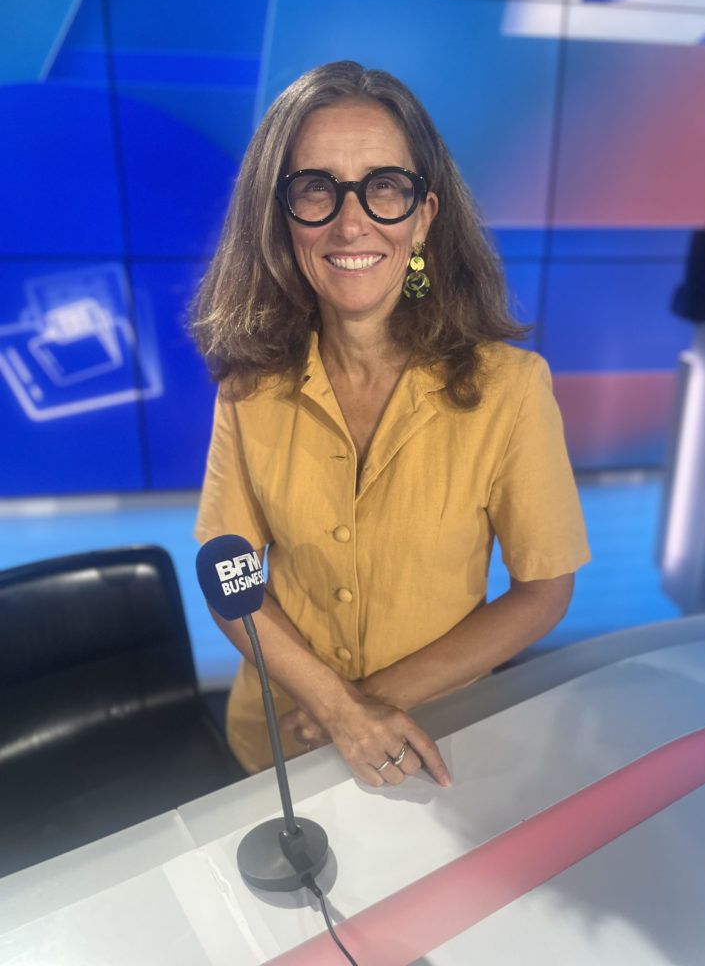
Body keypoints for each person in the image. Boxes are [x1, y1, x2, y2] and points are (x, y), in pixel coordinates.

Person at [190, 60, 590, 789]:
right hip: (277, 741)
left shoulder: (513, 390)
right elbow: (230, 576)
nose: (352, 223)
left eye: (384, 187)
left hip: (436, 738)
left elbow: (544, 591)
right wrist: (336, 708)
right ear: (281, 215)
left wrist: (363, 707)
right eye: (317, 188)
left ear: (423, 216)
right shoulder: (247, 388)